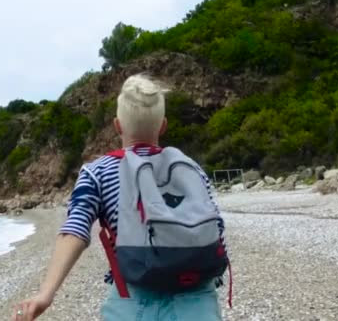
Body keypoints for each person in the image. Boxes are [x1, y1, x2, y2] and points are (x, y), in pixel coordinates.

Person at [12, 74, 228, 321]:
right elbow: (215, 226)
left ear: (117, 125)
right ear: (163, 125)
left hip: (133, 300)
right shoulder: (191, 169)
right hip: (197, 298)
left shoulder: (98, 172)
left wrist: (45, 294)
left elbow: (76, 230)